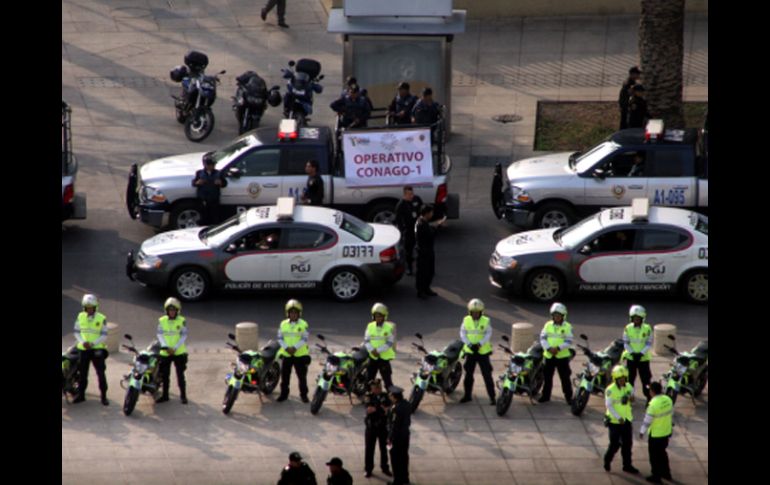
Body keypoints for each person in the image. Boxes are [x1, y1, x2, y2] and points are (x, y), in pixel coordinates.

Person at [73, 294, 109, 405]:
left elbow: (104, 335)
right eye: (87, 307)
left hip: (97, 350)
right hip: (83, 349)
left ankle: (103, 396)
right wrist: (83, 342)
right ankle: (81, 395)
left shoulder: (101, 318)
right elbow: (76, 332)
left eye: (91, 307)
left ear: (95, 307)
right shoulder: (80, 316)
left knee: (101, 374)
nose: (89, 309)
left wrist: (92, 343)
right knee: (82, 374)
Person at [459, 298, 496, 405]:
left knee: (487, 375)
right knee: (468, 375)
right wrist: (470, 344)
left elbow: (488, 333)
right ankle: (467, 395)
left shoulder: (486, 320)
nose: (475, 314)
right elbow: (462, 333)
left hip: (482, 352)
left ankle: (492, 397)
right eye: (473, 312)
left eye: (477, 312)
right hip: (471, 352)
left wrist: (480, 344)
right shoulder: (466, 320)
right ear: (470, 312)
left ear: (481, 312)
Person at [604, 365, 639, 475]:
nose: (623, 381)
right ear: (615, 379)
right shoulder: (610, 390)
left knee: (627, 445)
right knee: (614, 444)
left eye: (624, 379)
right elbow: (609, 406)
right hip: (615, 422)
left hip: (627, 420)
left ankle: (627, 465)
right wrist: (618, 418)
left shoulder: (628, 386)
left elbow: (633, 397)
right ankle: (607, 461)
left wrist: (631, 398)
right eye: (620, 379)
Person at [538, 302, 574, 404]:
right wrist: (549, 348)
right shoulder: (548, 325)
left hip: (562, 357)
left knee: (565, 378)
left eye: (559, 316)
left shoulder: (567, 327)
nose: (557, 317)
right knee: (547, 378)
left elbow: (569, 341)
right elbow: (542, 338)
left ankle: (569, 397)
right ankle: (545, 396)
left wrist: (558, 348)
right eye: (555, 315)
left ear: (563, 316)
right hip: (549, 356)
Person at [639, 382, 674, 483]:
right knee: (663, 454)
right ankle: (666, 473)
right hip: (666, 433)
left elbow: (647, 421)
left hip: (656, 435)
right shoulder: (668, 400)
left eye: (649, 390)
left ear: (652, 391)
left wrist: (642, 432)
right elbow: (671, 414)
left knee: (654, 457)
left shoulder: (653, 404)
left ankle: (656, 477)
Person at [156, 297, 189, 404]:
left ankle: (183, 396)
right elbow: (159, 334)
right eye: (170, 310)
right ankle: (165, 395)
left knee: (180, 376)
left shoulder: (182, 321)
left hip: (178, 352)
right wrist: (165, 346)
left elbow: (184, 336)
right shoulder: (161, 320)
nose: (172, 312)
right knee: (165, 376)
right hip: (165, 352)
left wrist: (174, 348)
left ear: (177, 311)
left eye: (174, 310)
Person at [277, 299, 311, 403]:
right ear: (288, 313)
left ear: (299, 314)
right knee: (285, 378)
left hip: (299, 355)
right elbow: (279, 338)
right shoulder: (283, 324)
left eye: (295, 313)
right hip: (287, 355)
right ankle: (283, 395)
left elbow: (304, 339)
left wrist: (294, 348)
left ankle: (304, 395)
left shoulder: (303, 324)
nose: (293, 315)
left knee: (302, 378)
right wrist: (287, 348)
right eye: (291, 313)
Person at [415, 204, 445, 299]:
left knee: (429, 271)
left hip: (427, 250)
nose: (432, 214)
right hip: (424, 251)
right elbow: (430, 235)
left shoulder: (423, 222)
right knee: (423, 272)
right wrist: (438, 226)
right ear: (427, 213)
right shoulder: (421, 224)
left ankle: (426, 288)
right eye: (431, 212)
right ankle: (421, 291)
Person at [623, 305, 653, 400]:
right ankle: (630, 396)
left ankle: (648, 397)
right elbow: (626, 343)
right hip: (631, 358)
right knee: (629, 379)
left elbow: (649, 343)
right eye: (634, 318)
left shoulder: (647, 328)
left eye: (638, 318)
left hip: (643, 359)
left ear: (642, 318)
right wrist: (632, 353)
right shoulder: (627, 328)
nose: (636, 320)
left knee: (646, 380)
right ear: (631, 318)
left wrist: (641, 354)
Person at [364, 379, 392, 478]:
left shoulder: (385, 396)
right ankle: (368, 469)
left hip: (382, 427)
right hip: (371, 427)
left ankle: (385, 467)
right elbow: (369, 410)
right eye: (375, 388)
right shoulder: (368, 396)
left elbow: (388, 409)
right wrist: (380, 409)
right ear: (372, 389)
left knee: (383, 449)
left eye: (379, 387)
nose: (378, 389)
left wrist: (378, 409)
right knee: (369, 449)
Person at [364, 303, 396, 390]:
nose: (378, 318)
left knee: (387, 381)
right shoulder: (370, 326)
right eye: (376, 316)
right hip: (373, 357)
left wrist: (378, 351)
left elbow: (390, 342)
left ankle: (392, 398)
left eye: (380, 316)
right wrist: (372, 351)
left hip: (384, 359)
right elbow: (366, 340)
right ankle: (368, 397)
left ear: (384, 316)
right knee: (369, 380)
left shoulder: (389, 327)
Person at [394, 186, 423, 275]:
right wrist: (402, 231)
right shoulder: (401, 205)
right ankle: (409, 268)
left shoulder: (417, 199)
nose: (411, 196)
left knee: (421, 249)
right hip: (408, 231)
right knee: (408, 251)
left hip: (418, 229)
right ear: (405, 194)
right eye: (409, 194)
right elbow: (398, 220)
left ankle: (422, 267)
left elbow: (422, 210)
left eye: (412, 193)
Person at [192, 152, 227, 225]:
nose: (212, 166)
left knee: (215, 216)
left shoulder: (218, 173)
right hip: (203, 198)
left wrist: (220, 183)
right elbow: (194, 183)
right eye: (210, 165)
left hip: (214, 198)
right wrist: (197, 183)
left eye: (213, 165)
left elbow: (224, 183)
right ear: (205, 165)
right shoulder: (199, 173)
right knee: (204, 216)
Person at [387, 386, 411, 485]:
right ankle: (405, 478)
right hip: (405, 435)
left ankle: (397, 480)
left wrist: (389, 438)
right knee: (404, 457)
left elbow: (394, 425)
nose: (389, 396)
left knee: (395, 459)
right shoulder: (406, 404)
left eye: (390, 395)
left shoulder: (395, 408)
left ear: (394, 397)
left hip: (397, 438)